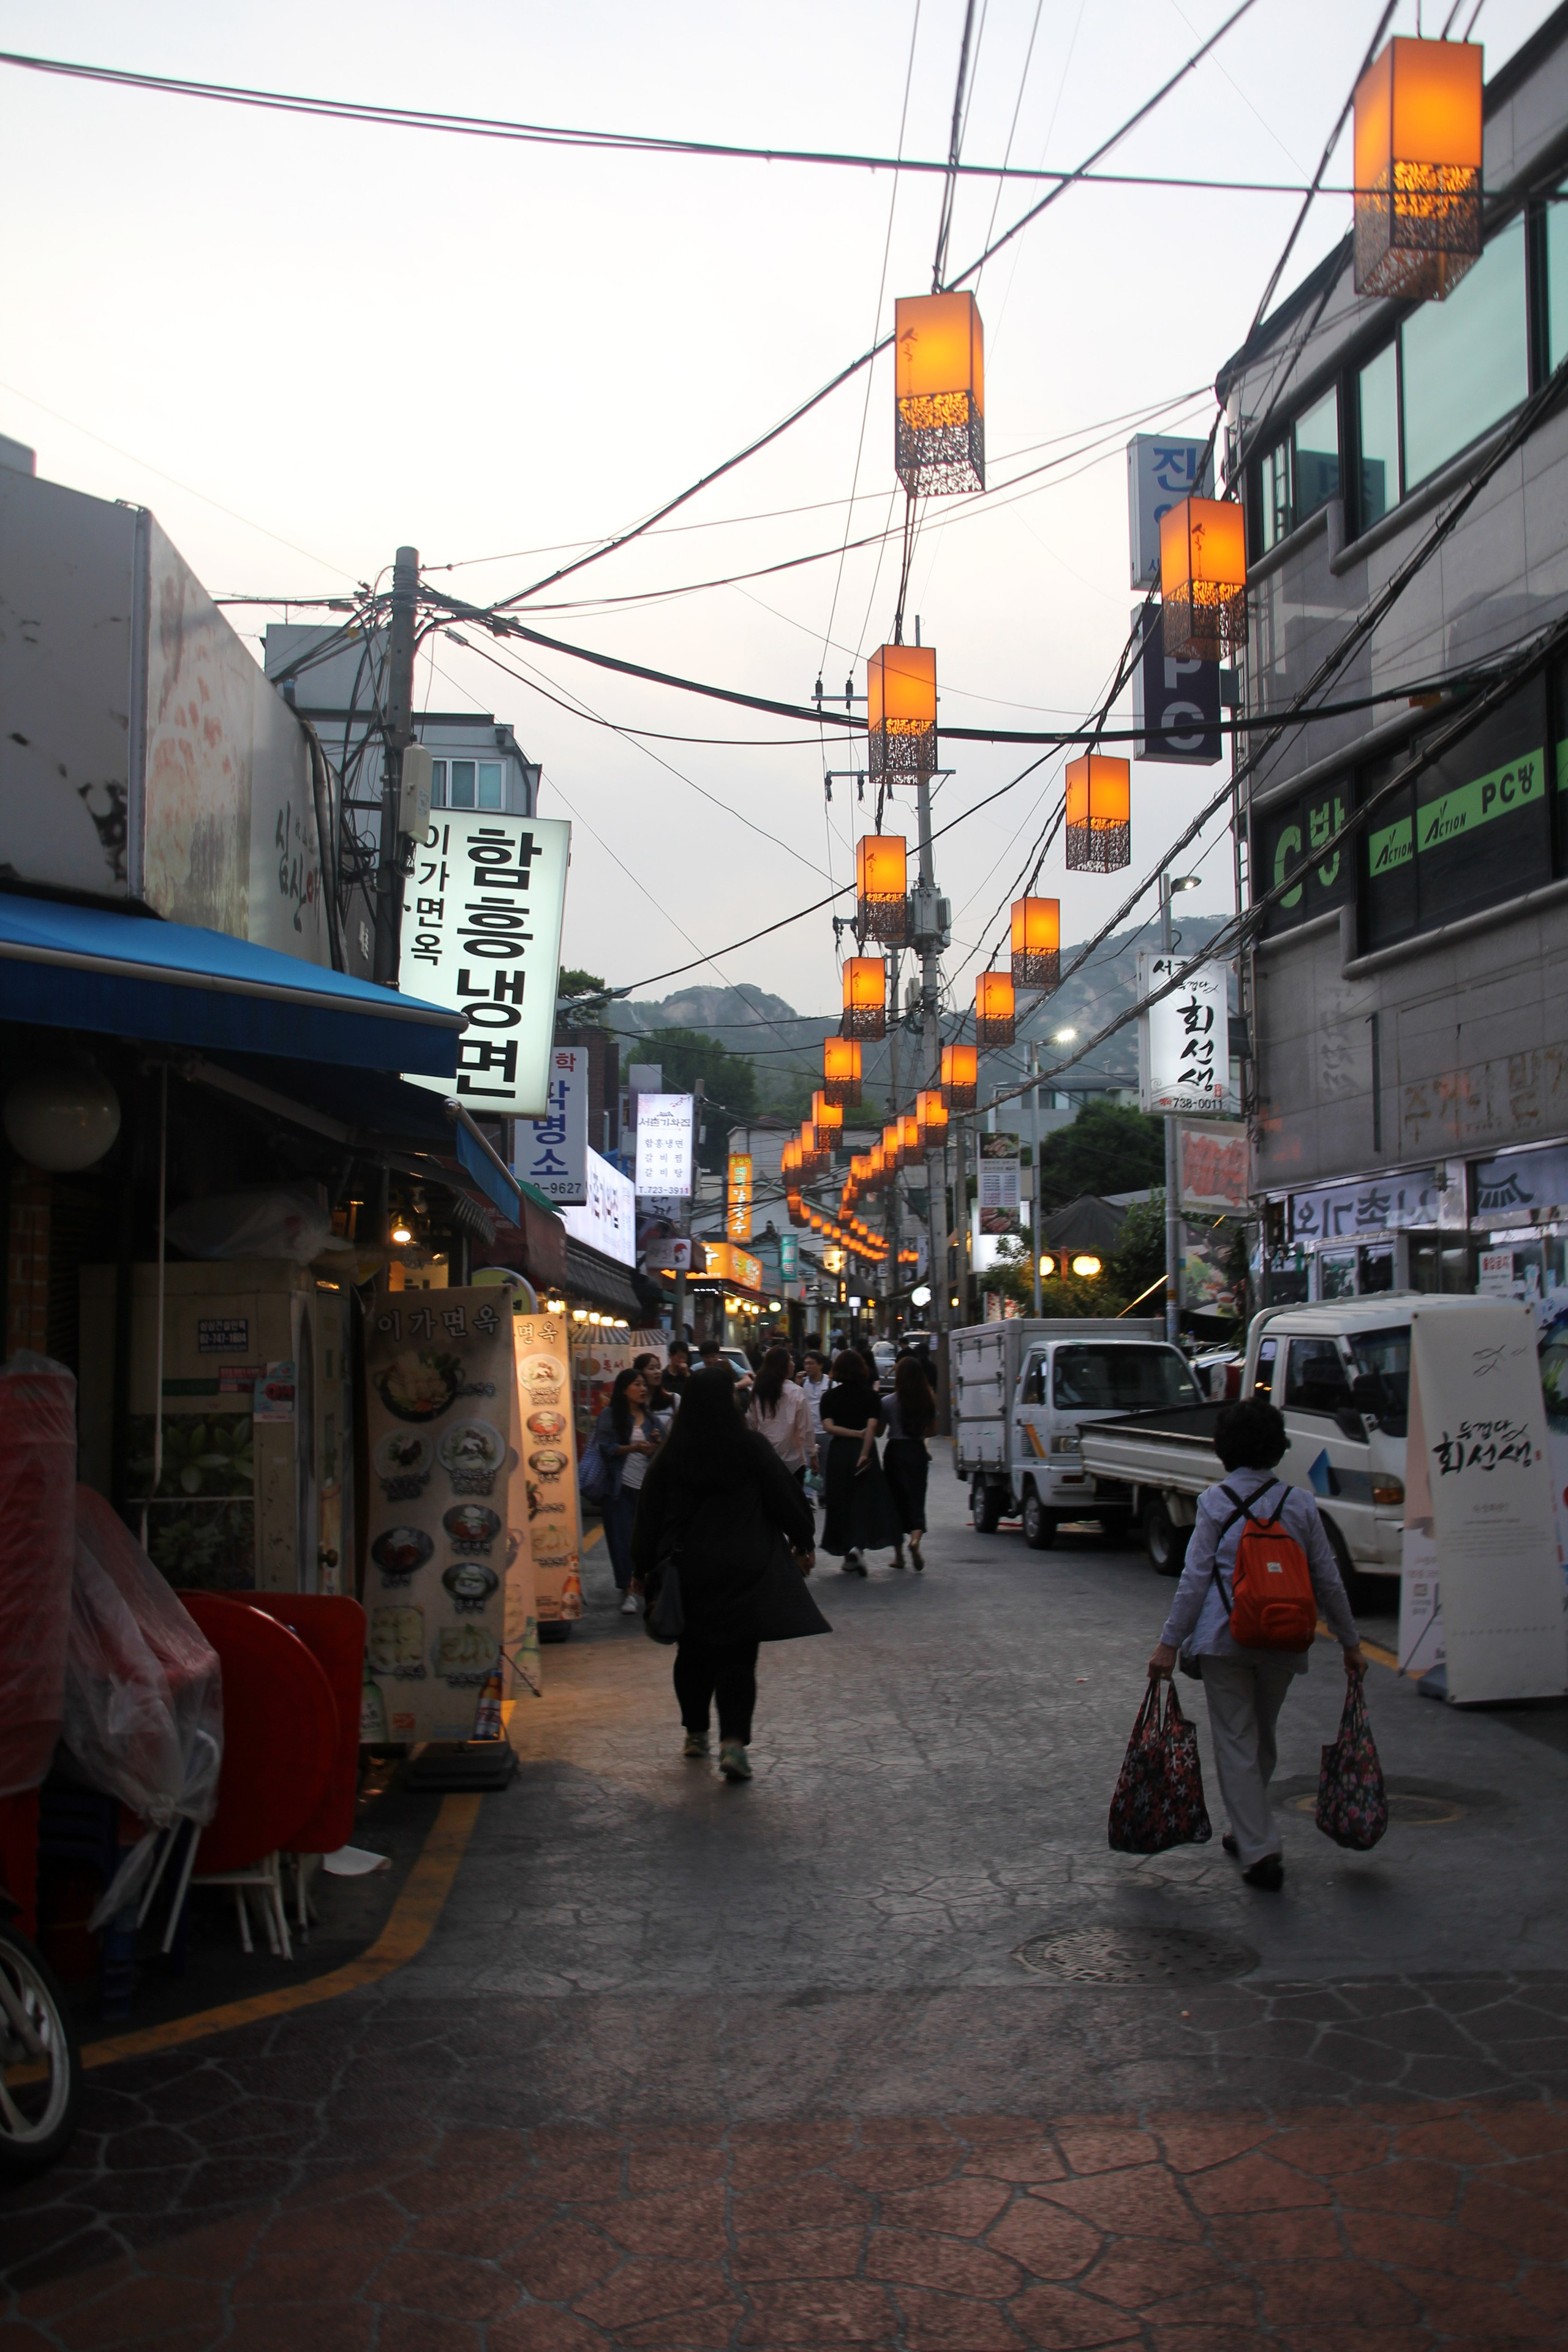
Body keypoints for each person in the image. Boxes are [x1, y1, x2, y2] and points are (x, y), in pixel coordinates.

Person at [1147, 1398, 1366, 1892]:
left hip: (1224, 1640)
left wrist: (1167, 1644)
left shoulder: (1214, 1503)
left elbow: (1195, 1580)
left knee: (1236, 1740)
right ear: (1277, 1446)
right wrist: (1351, 1643)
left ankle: (1260, 1847)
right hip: (1284, 1638)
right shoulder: (1301, 1504)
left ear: (1225, 1449)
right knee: (1261, 1736)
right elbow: (1328, 1580)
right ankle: (1245, 1829)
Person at [630, 1366, 821, 1781]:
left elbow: (648, 1516)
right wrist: (803, 1540)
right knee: (738, 1656)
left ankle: (696, 1733)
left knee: (693, 1653)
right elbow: (785, 1496)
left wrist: (640, 1568)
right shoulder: (750, 1447)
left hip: (688, 1570)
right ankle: (733, 1743)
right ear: (729, 1403)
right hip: (745, 1567)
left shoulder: (672, 1453)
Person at [818, 1348, 903, 1574]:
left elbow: (828, 1427)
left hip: (838, 1452)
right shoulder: (870, 1396)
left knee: (841, 1500)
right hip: (864, 1452)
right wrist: (864, 1450)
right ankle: (858, 1547)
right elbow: (873, 1427)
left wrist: (852, 1434)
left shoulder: (829, 1397)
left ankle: (848, 1551)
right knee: (863, 1501)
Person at [594, 1366, 663, 1615]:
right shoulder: (610, 1415)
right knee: (621, 1541)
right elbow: (606, 1447)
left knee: (648, 1541)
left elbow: (661, 1450)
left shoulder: (652, 1419)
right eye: (637, 1384)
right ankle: (628, 1591)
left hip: (646, 1490)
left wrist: (655, 1445)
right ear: (624, 1389)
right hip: (618, 1488)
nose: (643, 1388)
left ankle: (644, 1584)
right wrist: (635, 1449)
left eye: (644, 1384)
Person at [880, 1354, 934, 1570]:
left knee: (895, 1502)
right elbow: (934, 1430)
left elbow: (878, 1431)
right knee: (917, 1498)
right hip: (917, 1451)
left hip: (895, 1451)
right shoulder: (928, 1399)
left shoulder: (887, 1402)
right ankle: (916, 1541)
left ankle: (898, 1555)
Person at [745, 1345, 816, 1482]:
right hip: (793, 1461)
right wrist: (812, 1455)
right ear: (782, 1365)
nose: (794, 1364)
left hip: (765, 1458)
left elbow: (751, 1424)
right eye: (790, 1361)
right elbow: (806, 1428)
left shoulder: (759, 1390)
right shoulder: (796, 1392)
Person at [798, 1349, 830, 1488]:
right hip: (806, 1431)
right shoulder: (802, 1383)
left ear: (820, 1365)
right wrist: (797, 1384)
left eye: (811, 1363)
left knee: (825, 1465)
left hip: (825, 1431)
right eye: (806, 1364)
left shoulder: (830, 1383)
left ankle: (824, 1495)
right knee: (807, 1466)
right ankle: (809, 1496)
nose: (808, 1367)